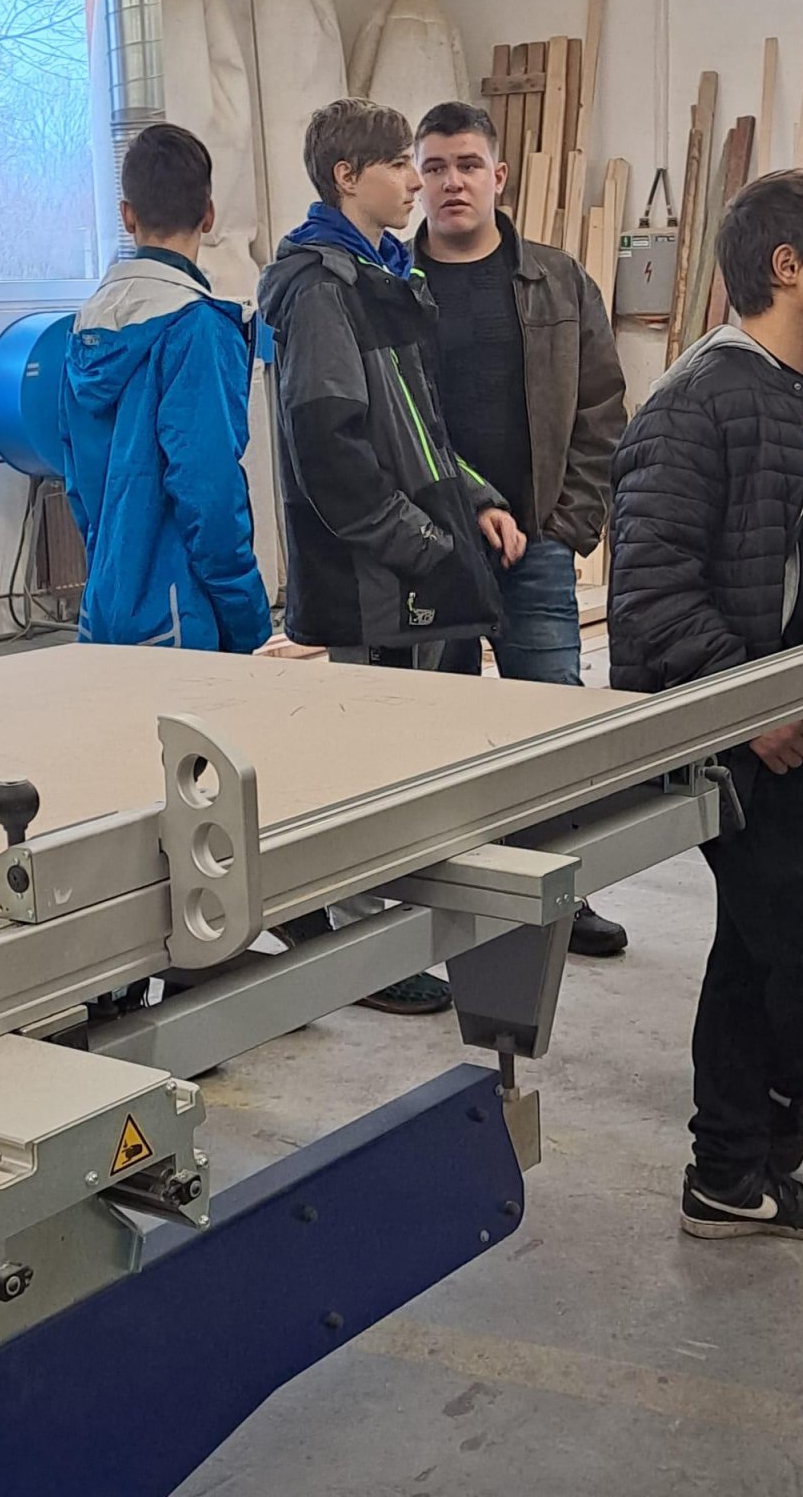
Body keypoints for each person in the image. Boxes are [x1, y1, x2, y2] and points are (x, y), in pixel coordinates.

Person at [610, 170, 803, 1240]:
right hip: (738, 739)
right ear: (788, 266)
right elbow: (650, 588)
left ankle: (731, 1175)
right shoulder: (701, 399)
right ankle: (762, 1133)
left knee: (754, 953)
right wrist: (748, 709)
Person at [259, 96, 522, 1015]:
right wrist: (422, 545)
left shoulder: (381, 277)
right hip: (374, 579)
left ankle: (377, 919)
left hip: (413, 566)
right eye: (401, 165)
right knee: (368, 764)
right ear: (347, 177)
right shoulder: (321, 290)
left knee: (412, 761)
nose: (418, 181)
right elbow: (329, 450)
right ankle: (363, 946)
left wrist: (473, 498)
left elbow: (418, 430)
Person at [412, 101, 631, 960]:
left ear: (499, 176)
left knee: (550, 723)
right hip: (430, 553)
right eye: (435, 166)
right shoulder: (392, 288)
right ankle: (455, 902)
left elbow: (601, 405)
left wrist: (566, 526)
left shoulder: (557, 280)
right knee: (438, 732)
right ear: (416, 180)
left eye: (468, 164)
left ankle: (563, 897)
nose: (452, 182)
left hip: (535, 543)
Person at [60, 122, 271, 656]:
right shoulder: (198, 327)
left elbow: (79, 487)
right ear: (209, 215)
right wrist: (247, 618)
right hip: (183, 616)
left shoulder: (83, 328)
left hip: (105, 607)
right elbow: (209, 490)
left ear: (127, 215)